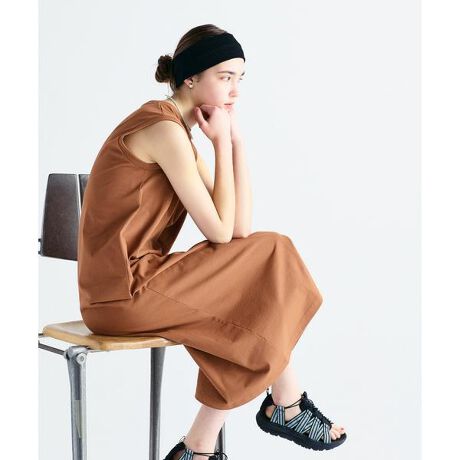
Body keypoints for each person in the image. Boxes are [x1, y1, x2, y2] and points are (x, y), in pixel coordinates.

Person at [77, 24, 347, 460]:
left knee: (264, 272)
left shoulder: (176, 133)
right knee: (273, 253)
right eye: (225, 77)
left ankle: (201, 447)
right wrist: (221, 143)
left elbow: (239, 228)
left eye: (240, 78)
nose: (235, 90)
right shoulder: (162, 129)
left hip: (140, 283)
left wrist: (235, 141)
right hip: (122, 292)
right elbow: (221, 233)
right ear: (190, 78)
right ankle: (285, 404)